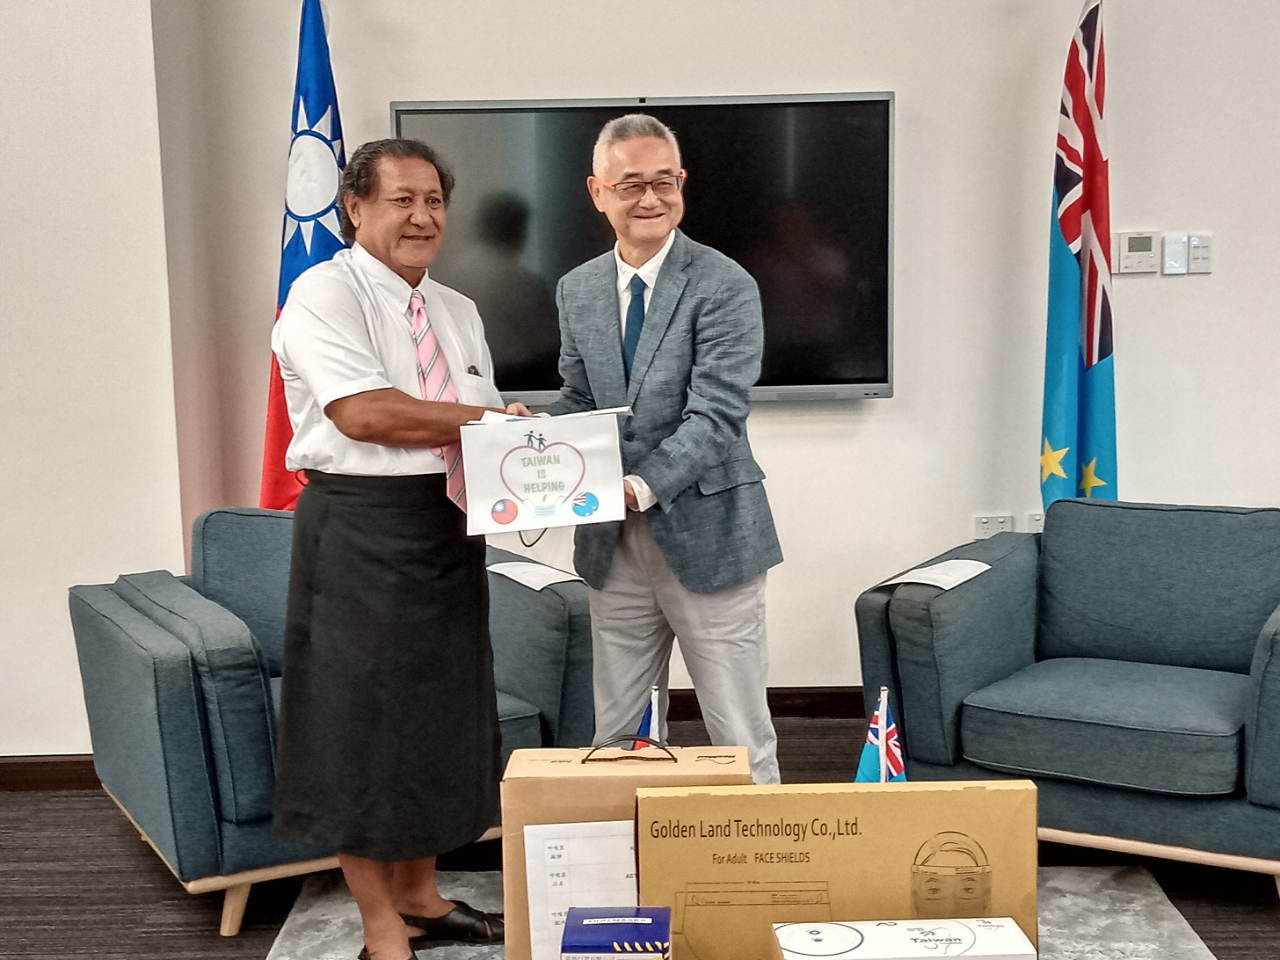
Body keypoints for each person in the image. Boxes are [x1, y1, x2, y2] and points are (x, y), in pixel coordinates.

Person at [271, 138, 528, 960]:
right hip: (359, 529)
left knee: (438, 721)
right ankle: (380, 924)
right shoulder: (322, 293)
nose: (423, 217)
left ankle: (421, 896)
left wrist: (539, 456)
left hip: (446, 529)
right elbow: (367, 414)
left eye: (435, 202)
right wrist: (489, 424)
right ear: (354, 207)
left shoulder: (456, 308)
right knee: (359, 728)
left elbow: (473, 419)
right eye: (401, 200)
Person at [547, 114, 784, 784]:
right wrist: (528, 444)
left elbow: (717, 416)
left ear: (681, 184)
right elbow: (576, 398)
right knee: (617, 738)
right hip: (612, 545)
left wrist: (634, 487)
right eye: (630, 185)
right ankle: (625, 875)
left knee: (739, 734)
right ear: (598, 192)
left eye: (663, 182)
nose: (649, 199)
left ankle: (757, 878)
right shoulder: (578, 288)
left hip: (710, 538)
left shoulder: (725, 283)